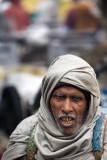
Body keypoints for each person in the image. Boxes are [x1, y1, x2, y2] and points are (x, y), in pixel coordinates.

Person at [2, 54, 107, 160]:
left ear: (90, 103)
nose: (66, 108)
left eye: (76, 99)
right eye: (59, 97)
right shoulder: (26, 132)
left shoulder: (105, 133)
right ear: (47, 99)